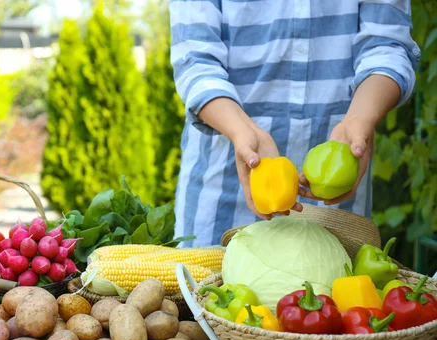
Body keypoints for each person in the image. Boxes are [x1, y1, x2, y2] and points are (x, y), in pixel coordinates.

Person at [169, 0, 420, 247]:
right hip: (219, 191)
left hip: (334, 203)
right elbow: (195, 60)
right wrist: (240, 130)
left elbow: (387, 46)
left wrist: (360, 118)